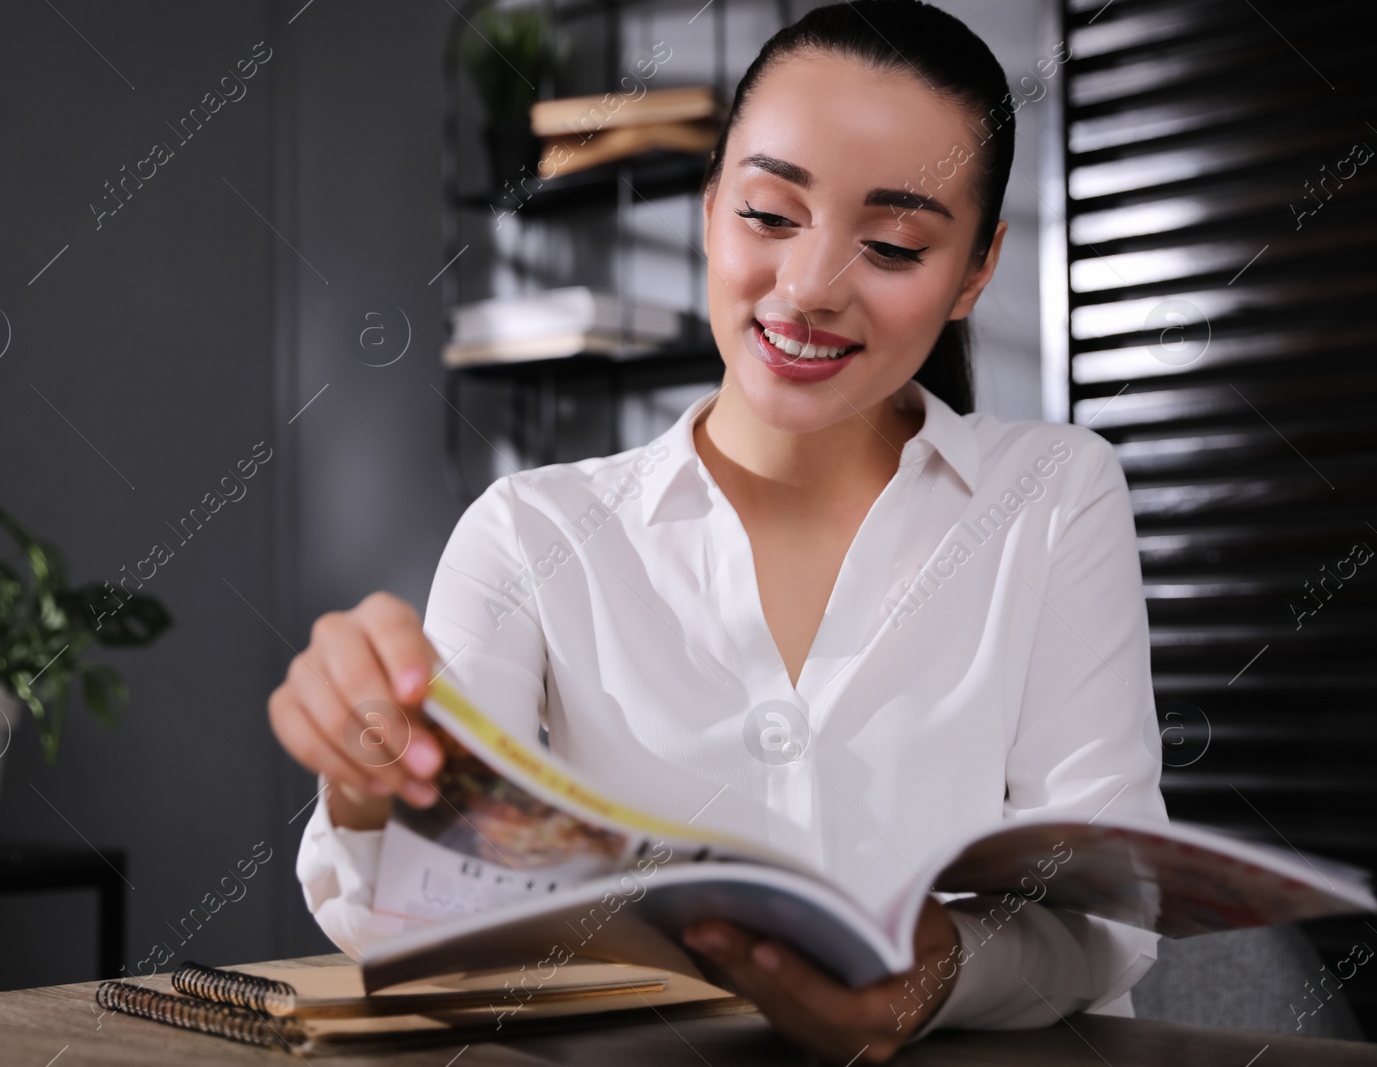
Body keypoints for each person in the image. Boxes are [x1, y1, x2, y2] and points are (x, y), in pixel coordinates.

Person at [268, 1, 1165, 1059]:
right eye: (768, 215)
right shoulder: (531, 527)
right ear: (705, 213)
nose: (807, 288)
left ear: (975, 270)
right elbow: (404, 917)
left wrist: (938, 971)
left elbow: (1109, 919)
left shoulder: (1053, 494)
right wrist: (371, 781)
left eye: (890, 243)